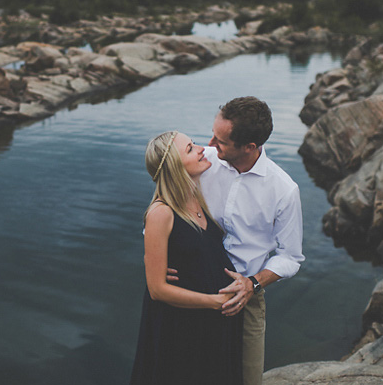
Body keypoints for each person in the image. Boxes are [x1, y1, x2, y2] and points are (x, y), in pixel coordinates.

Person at [186, 96, 305, 385]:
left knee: (247, 377)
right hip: (193, 285)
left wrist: (252, 283)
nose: (210, 144)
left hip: (246, 295)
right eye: (214, 133)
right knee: (188, 371)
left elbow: (291, 257)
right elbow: (166, 207)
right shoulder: (204, 162)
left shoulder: (283, 189)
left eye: (221, 141)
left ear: (250, 147)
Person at [130, 131, 243, 385]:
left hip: (211, 321)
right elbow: (157, 289)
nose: (202, 148)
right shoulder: (161, 213)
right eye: (191, 148)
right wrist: (214, 301)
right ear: (175, 166)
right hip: (182, 325)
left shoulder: (197, 196)